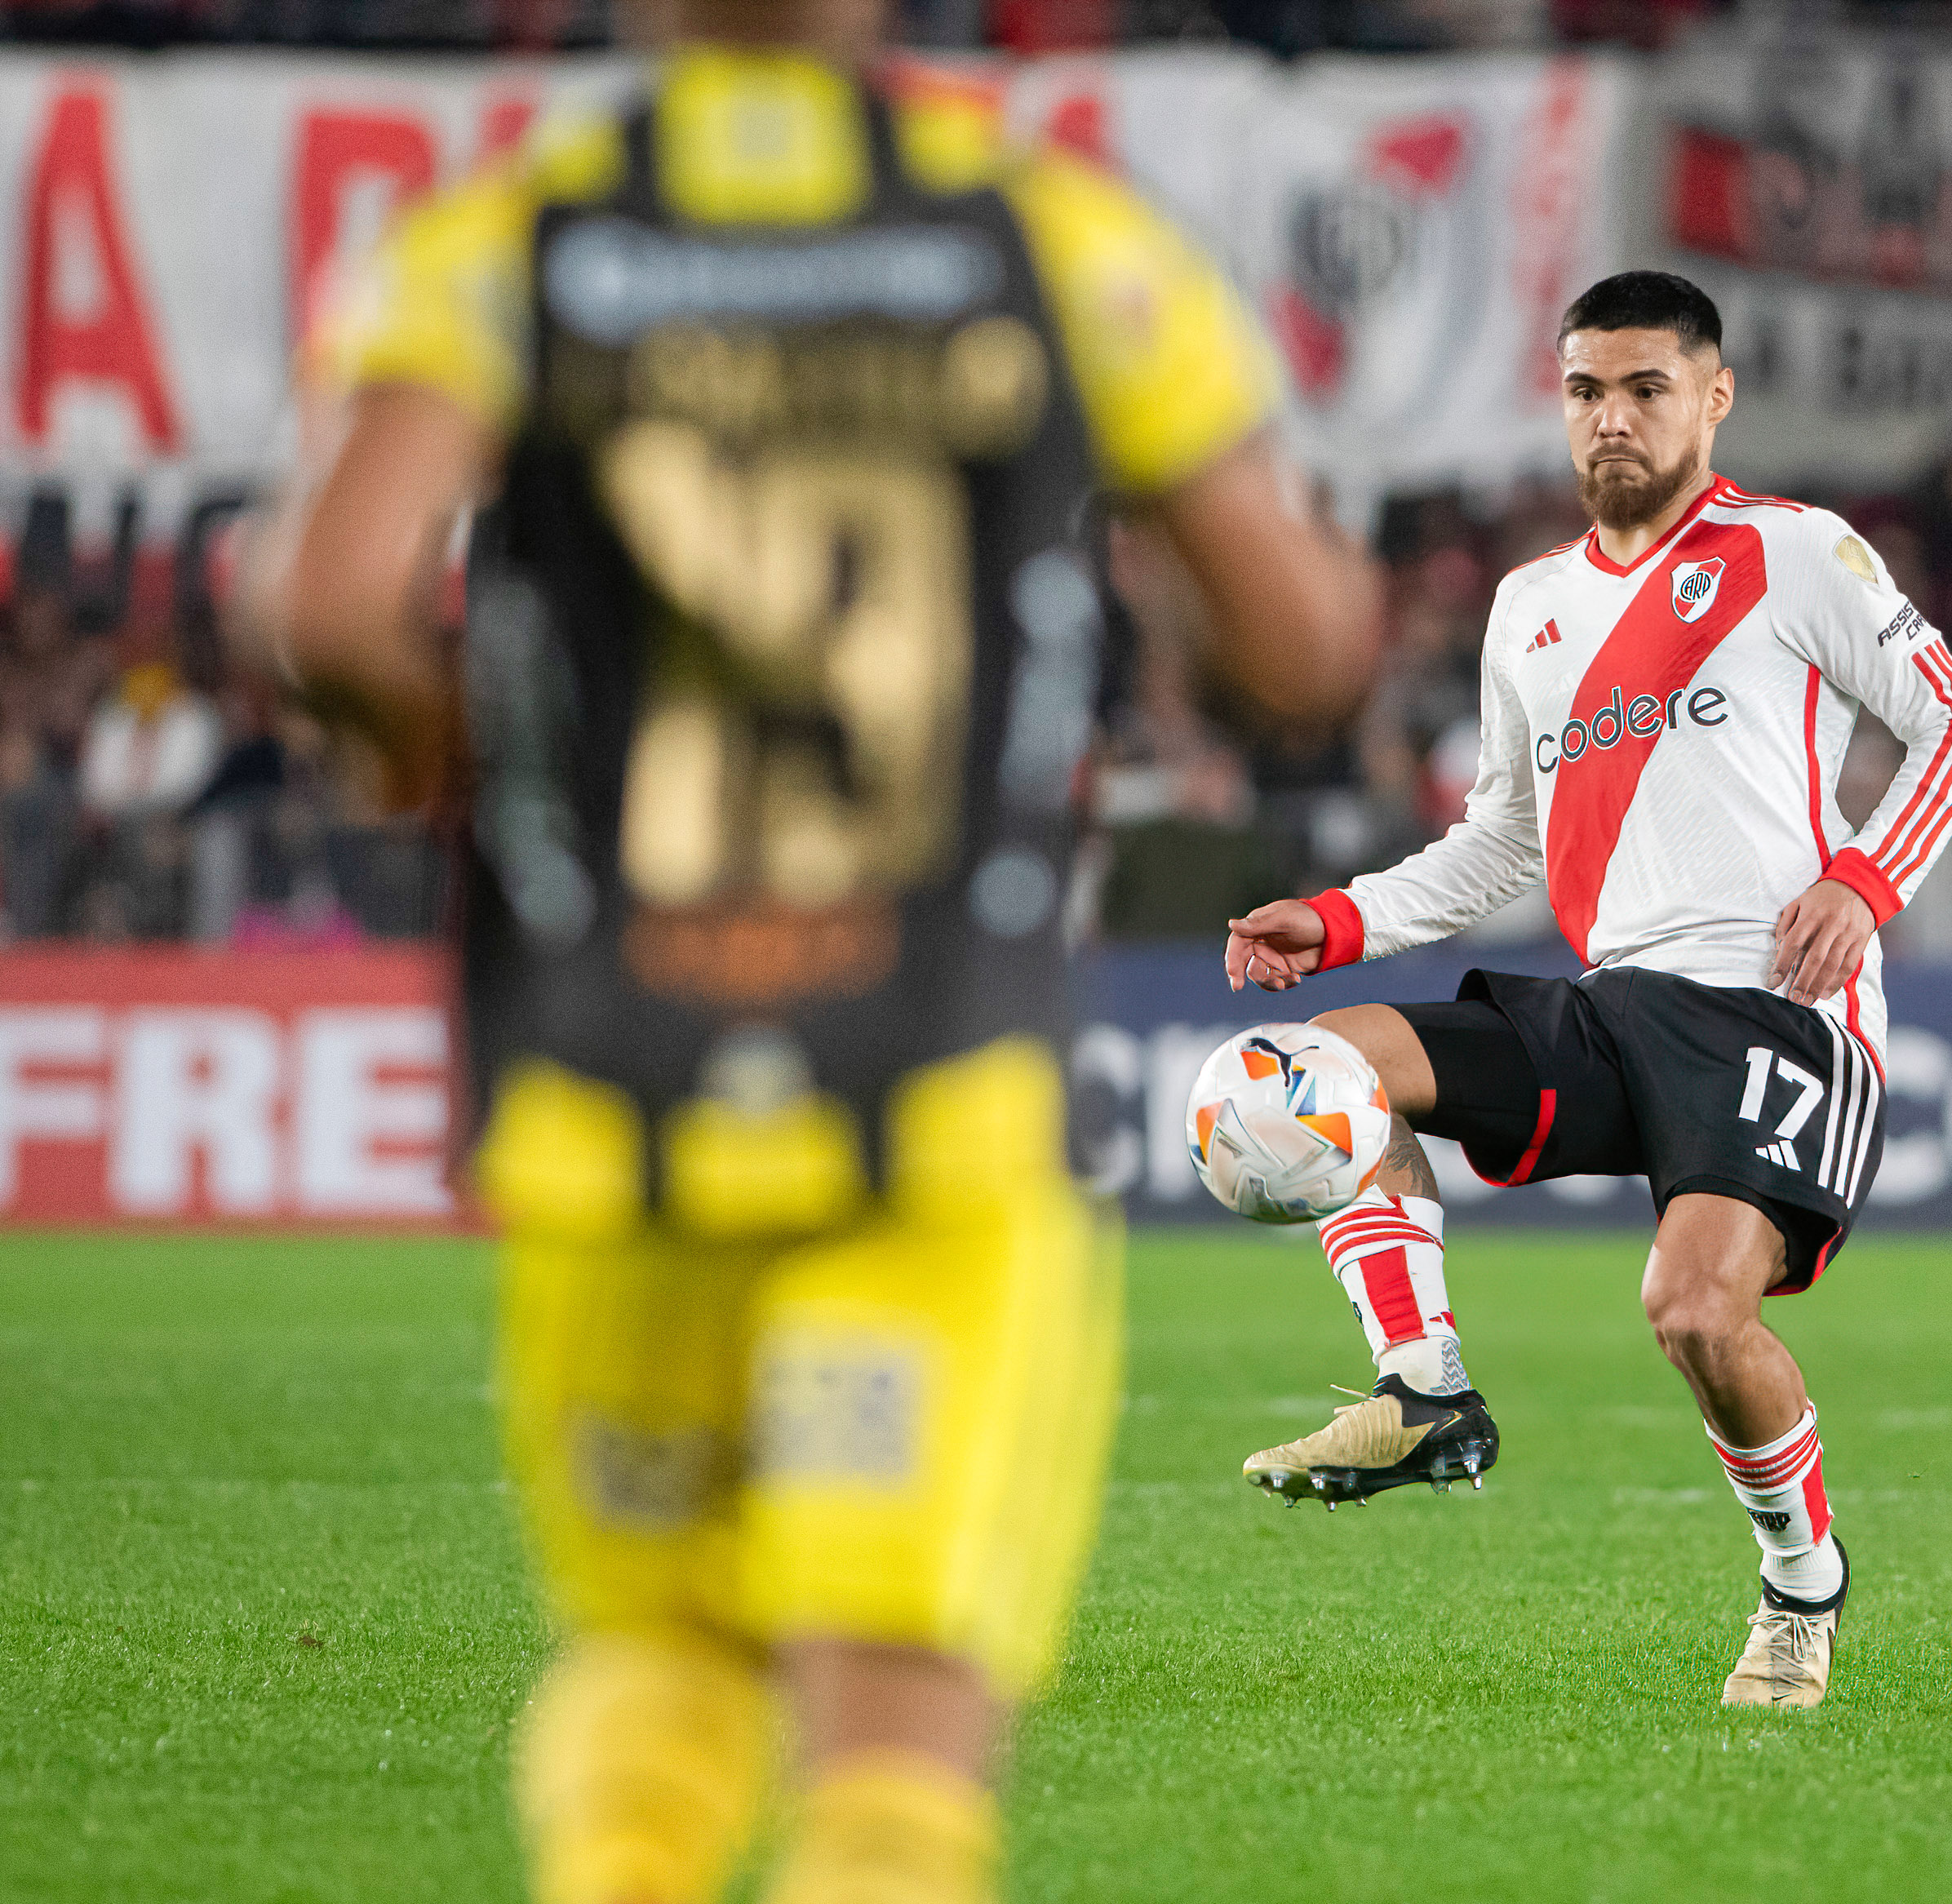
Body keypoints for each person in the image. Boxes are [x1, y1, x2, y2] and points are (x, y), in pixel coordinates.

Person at [250, 2, 1377, 1899]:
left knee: (660, 1660)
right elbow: (1304, 642)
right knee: (892, 1725)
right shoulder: (1048, 234)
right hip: (926, 1081)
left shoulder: (510, 238)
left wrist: (431, 746)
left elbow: (334, 601)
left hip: (615, 1077)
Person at [1220, 270, 1952, 1710]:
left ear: (1713, 397)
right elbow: (1502, 843)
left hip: (1779, 1008)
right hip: (1613, 997)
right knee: (1322, 1061)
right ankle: (1428, 1388)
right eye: (1588, 390)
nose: (1614, 418)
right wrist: (1335, 919)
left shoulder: (1796, 553)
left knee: (1697, 1313)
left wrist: (1865, 879)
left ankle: (1799, 1586)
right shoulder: (1532, 606)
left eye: (1648, 387)